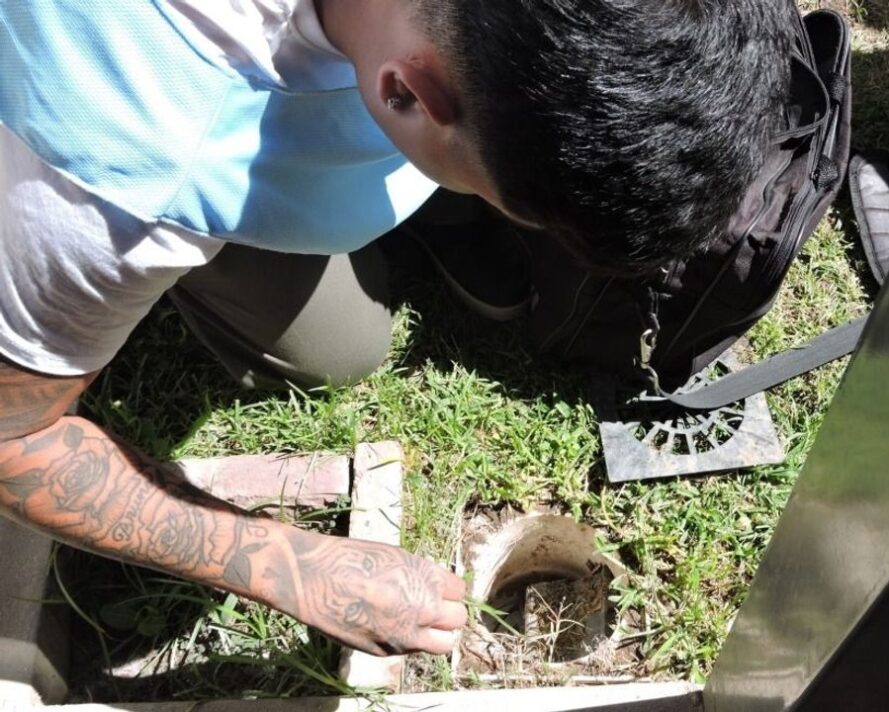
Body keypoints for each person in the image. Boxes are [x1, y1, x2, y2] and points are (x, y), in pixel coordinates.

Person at [0, 0, 793, 657]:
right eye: (503, 197)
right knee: (341, 351)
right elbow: (13, 441)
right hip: (108, 131)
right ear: (409, 92)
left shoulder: (422, 54)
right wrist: (292, 563)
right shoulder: (117, 174)